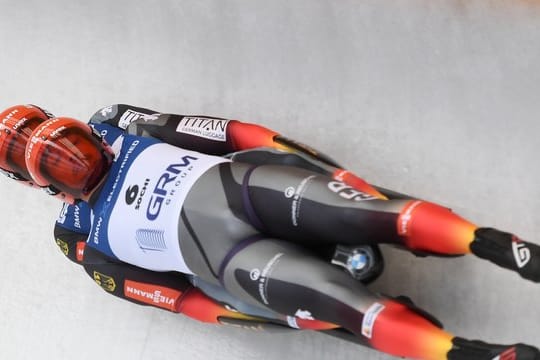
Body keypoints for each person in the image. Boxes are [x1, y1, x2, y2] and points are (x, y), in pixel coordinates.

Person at [1, 104, 539, 360]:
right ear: (34, 181)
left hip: (249, 188)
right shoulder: (75, 237)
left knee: (371, 214)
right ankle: (472, 352)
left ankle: (499, 249)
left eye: (75, 145)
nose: (78, 161)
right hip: (231, 258)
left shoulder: (120, 122)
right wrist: (261, 318)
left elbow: (230, 133)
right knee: (341, 302)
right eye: (61, 164)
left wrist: (325, 169)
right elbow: (172, 297)